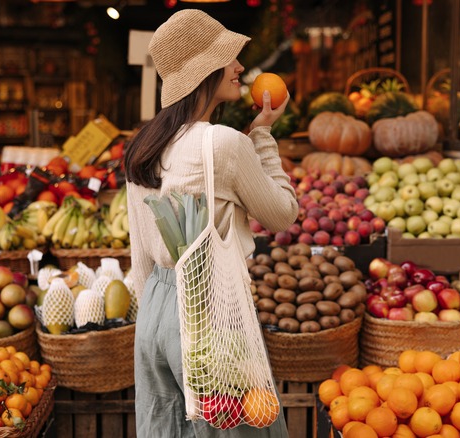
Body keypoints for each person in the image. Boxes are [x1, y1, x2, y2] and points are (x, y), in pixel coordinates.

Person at [123, 9, 298, 437]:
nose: (240, 67)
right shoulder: (224, 143)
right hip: (209, 309)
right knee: (238, 430)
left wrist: (155, 324)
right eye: (229, 58)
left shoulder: (143, 146)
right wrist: (263, 136)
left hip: (155, 313)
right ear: (205, 71)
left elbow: (141, 252)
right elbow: (282, 214)